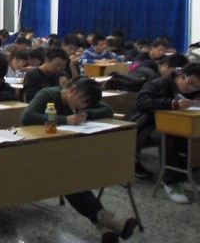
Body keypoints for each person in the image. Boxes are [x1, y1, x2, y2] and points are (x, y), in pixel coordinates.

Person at [21, 77, 136, 242]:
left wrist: (87, 113)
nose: (83, 106)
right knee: (68, 180)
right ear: (72, 90)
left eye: (87, 104)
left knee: (72, 178)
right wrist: (65, 120)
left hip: (64, 153)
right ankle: (110, 222)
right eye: (82, 101)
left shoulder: (82, 102)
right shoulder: (48, 95)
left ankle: (106, 227)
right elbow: (27, 117)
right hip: (38, 152)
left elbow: (107, 110)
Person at [127, 63, 200, 202]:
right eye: (191, 83)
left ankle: (182, 177)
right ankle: (170, 182)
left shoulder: (193, 91)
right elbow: (142, 102)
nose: (192, 88)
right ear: (181, 75)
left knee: (188, 134)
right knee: (169, 135)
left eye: (197, 87)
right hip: (143, 127)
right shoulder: (158, 84)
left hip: (176, 124)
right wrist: (173, 103)